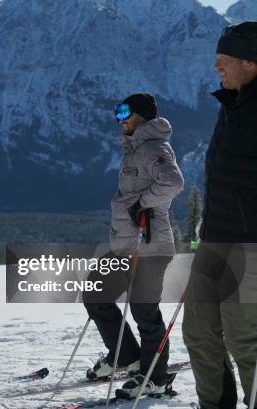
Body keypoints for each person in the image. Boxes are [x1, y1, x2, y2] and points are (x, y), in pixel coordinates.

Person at [83, 93, 184, 398]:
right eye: (117, 112)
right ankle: (125, 357)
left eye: (125, 112)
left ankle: (156, 376)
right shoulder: (135, 148)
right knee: (95, 294)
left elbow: (173, 181)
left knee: (144, 311)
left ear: (142, 115)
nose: (120, 118)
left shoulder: (154, 147)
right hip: (126, 244)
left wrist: (143, 202)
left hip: (151, 245)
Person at [182, 21, 257, 409]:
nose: (217, 67)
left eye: (223, 59)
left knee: (246, 338)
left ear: (251, 62)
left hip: (249, 245)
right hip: (214, 239)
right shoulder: (232, 105)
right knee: (199, 332)